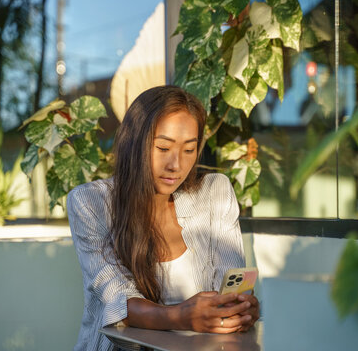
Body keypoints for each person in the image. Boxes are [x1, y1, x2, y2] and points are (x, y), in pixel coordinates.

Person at [67, 85, 260, 350]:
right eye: (163, 147)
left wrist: (240, 308)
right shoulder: (91, 202)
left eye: (189, 150)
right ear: (134, 143)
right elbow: (116, 299)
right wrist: (183, 316)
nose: (176, 165)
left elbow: (229, 288)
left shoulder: (215, 192)